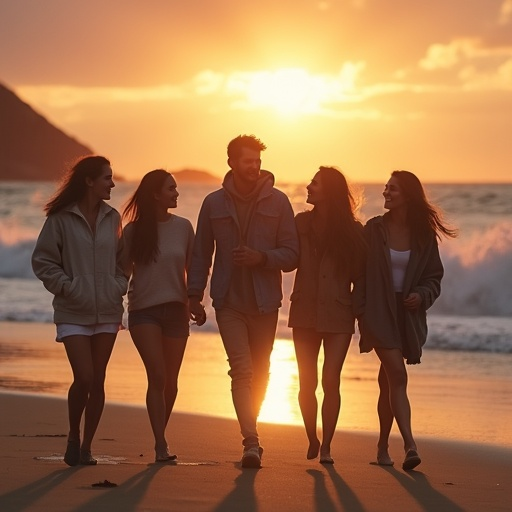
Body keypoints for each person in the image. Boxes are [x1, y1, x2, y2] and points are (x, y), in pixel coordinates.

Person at [188, 134, 299, 468]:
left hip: (265, 304)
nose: (255, 167)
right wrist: (195, 296)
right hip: (228, 302)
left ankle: (252, 432)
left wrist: (260, 258)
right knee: (242, 370)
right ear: (232, 163)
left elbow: (292, 254)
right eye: (248, 161)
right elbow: (200, 254)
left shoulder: (279, 202)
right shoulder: (213, 204)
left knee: (262, 371)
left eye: (257, 161)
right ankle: (251, 441)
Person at [357, 170, 457, 471]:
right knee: (398, 377)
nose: (386, 192)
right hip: (377, 311)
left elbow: (434, 278)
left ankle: (382, 447)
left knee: (388, 382)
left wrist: (421, 295)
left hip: (407, 315)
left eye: (394, 189)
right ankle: (410, 445)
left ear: (409, 195)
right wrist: (360, 309)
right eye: (386, 188)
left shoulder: (424, 236)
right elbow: (356, 270)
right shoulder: (373, 230)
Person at [31, 155, 127, 466]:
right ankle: (73, 434)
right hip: (73, 310)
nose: (112, 183)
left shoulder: (113, 218)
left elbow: (124, 261)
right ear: (89, 181)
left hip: (108, 311)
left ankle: (86, 447)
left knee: (98, 380)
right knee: (83, 377)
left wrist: (118, 285)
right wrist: (68, 287)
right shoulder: (59, 218)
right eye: (106, 178)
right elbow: (43, 261)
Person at [288, 167, 366, 464]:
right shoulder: (300, 223)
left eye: (315, 183)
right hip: (304, 310)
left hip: (338, 313)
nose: (308, 186)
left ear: (329, 191)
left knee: (331, 380)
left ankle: (328, 447)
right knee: (307, 382)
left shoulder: (353, 231)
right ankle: (311, 436)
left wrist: (361, 314)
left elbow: (360, 277)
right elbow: (289, 261)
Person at [122, 170, 194, 462]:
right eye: (171, 188)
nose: (176, 193)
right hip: (144, 310)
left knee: (172, 383)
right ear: (155, 194)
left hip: (177, 311)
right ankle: (161, 446)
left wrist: (195, 302)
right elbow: (121, 272)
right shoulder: (133, 231)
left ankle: (158, 437)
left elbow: (195, 271)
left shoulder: (185, 227)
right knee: (158, 376)